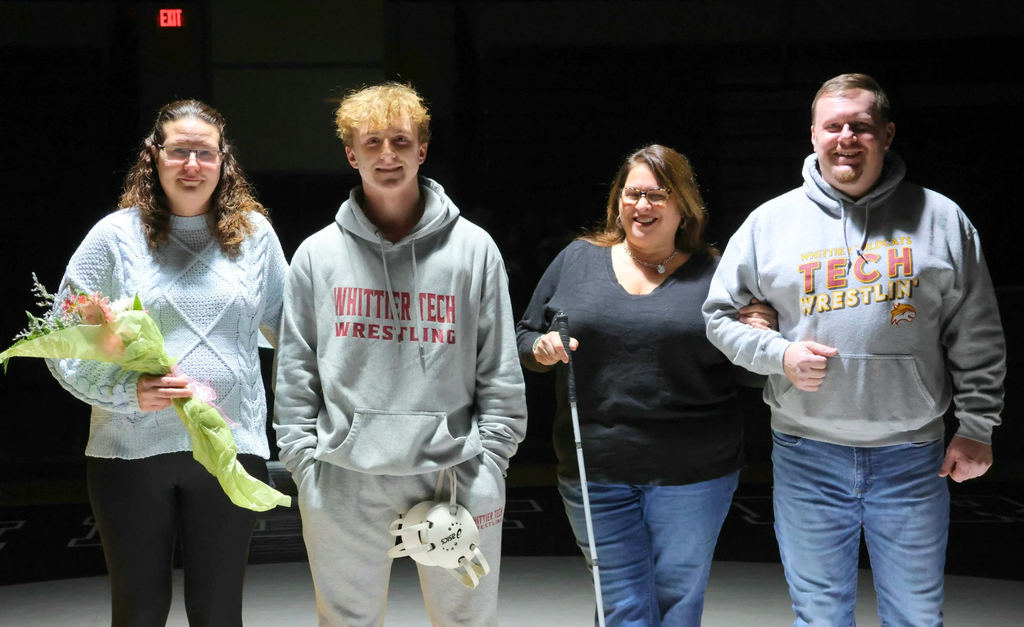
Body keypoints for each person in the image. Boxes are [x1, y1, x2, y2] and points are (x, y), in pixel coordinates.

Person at [703, 73, 1006, 626]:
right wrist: (779, 355)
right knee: (820, 616)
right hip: (806, 452)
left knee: (915, 616)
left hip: (914, 457)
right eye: (833, 126)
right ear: (813, 135)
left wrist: (977, 425)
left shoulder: (941, 220)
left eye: (861, 126)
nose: (846, 137)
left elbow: (978, 331)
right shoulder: (769, 224)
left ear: (886, 135)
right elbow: (719, 319)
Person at [273, 82, 527, 626]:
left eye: (399, 140)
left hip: (457, 472)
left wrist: (491, 462)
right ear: (351, 154)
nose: (387, 155)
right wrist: (303, 462)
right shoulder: (317, 255)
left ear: (422, 150)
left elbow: (499, 366)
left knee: (466, 623)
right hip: (343, 478)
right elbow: (295, 369)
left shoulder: (473, 249)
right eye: (371, 143)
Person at [46, 99, 288, 626]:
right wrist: (125, 391)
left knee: (219, 614)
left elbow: (293, 336)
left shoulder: (255, 238)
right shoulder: (113, 237)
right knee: (139, 613)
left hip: (231, 446)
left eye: (204, 152)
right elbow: (62, 342)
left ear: (224, 160)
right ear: (153, 157)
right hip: (129, 452)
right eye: (179, 151)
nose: (191, 165)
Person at [516, 144, 776, 626]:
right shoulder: (577, 259)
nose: (642, 205)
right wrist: (540, 349)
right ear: (617, 202)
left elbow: (750, 372)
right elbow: (524, 337)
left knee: (677, 606)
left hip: (696, 473)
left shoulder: (717, 273)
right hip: (596, 468)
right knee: (626, 609)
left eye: (658, 195)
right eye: (632, 193)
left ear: (684, 208)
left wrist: (760, 333)